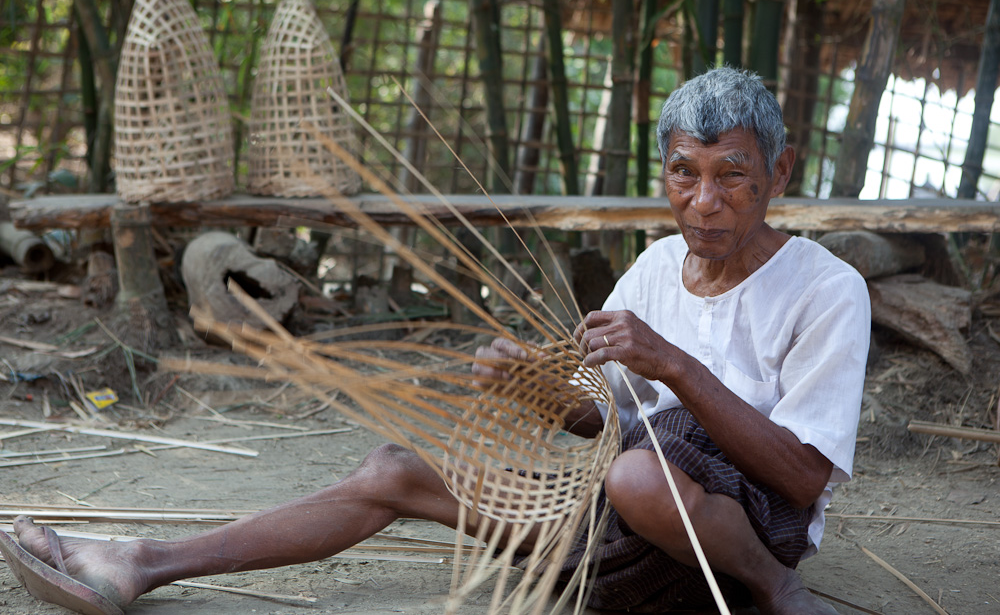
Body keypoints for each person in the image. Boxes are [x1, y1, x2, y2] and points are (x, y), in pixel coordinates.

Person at [0, 66, 869, 615]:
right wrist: (541, 392)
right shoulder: (651, 270)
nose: (705, 201)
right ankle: (140, 563)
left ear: (778, 176)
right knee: (393, 468)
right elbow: (607, 422)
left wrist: (672, 362)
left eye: (733, 177)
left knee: (641, 470)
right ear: (666, 172)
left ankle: (777, 594)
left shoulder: (828, 289)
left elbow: (800, 473)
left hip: (736, 535)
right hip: (612, 519)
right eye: (686, 173)